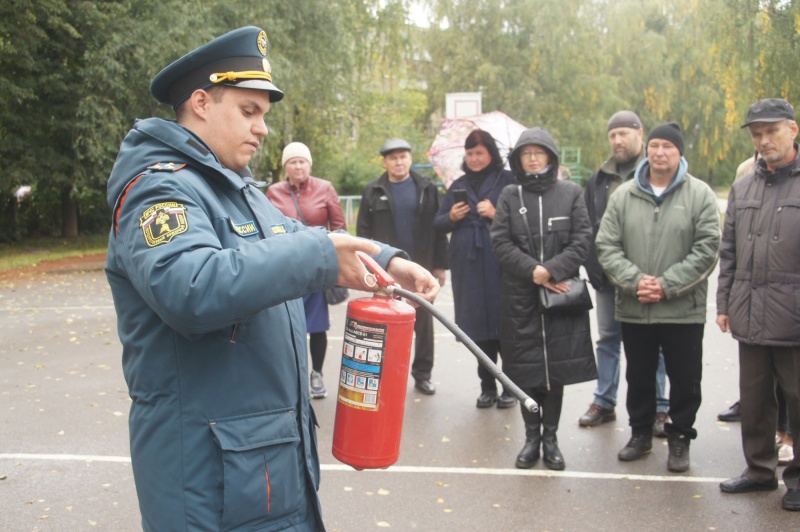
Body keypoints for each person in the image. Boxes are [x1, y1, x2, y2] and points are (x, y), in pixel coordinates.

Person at [104, 27, 440, 531]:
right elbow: (190, 287)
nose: (262, 128)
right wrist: (321, 256)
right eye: (248, 111)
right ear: (200, 102)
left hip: (259, 469)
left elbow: (296, 235)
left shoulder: (234, 188)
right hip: (208, 482)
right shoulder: (160, 189)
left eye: (263, 114)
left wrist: (386, 259)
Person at [596, 122, 720, 473]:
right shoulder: (623, 195)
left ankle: (680, 437)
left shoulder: (700, 195)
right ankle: (640, 434)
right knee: (639, 375)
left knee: (684, 378)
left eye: (667, 146)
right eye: (654, 146)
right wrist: (636, 282)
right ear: (646, 150)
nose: (660, 152)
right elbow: (607, 245)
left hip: (683, 308)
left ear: (680, 152)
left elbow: (708, 248)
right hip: (637, 307)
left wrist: (666, 285)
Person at [490, 127, 597, 470]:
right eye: (526, 153)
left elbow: (582, 238)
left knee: (556, 372)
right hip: (519, 298)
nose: (533, 158)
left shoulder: (570, 192)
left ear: (551, 156)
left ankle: (550, 439)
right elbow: (501, 243)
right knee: (525, 372)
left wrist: (550, 270)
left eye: (539, 152)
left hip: (560, 296)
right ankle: (531, 437)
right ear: (519, 160)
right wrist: (532, 271)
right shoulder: (510, 195)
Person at [716, 98, 800, 511]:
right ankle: (759, 470)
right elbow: (727, 251)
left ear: (793, 130)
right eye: (757, 134)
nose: (764, 140)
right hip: (749, 310)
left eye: (771, 132)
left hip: (794, 315)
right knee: (754, 397)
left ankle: (798, 478)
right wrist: (724, 302)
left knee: (798, 396)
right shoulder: (743, 186)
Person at [580, 110, 670, 436]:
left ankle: (661, 407)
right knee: (607, 340)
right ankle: (604, 401)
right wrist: (594, 267)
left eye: (624, 134)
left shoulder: (654, 174)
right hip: (607, 279)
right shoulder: (598, 179)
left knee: (653, 344)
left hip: (645, 279)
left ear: (639, 134)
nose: (618, 140)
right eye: (613, 135)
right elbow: (589, 228)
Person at [357, 138, 449, 395]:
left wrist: (440, 266)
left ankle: (422, 375)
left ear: (410, 158)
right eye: (393, 158)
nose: (399, 162)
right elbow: (363, 232)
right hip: (385, 268)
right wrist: (367, 266)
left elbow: (440, 228)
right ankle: (385, 375)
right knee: (383, 322)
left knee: (423, 323)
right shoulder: (373, 190)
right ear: (385, 162)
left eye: (403, 157)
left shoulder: (427, 188)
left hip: (422, 265)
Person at [433, 129, 517, 409]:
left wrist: (496, 214)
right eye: (470, 154)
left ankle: (509, 387)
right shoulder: (458, 183)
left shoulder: (508, 181)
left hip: (499, 261)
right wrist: (452, 217)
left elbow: (520, 220)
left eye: (479, 153)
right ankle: (487, 386)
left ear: (491, 154)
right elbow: (439, 222)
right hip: (467, 263)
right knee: (477, 328)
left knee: (503, 324)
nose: (474, 158)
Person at [266, 141, 346, 399]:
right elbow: (265, 228)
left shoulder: (325, 188)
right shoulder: (273, 192)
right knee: (285, 326)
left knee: (317, 326)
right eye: (292, 161)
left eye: (302, 161)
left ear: (309, 164)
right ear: (285, 166)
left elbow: (339, 227)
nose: (298, 166)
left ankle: (317, 375)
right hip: (284, 268)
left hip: (315, 269)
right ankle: (293, 378)